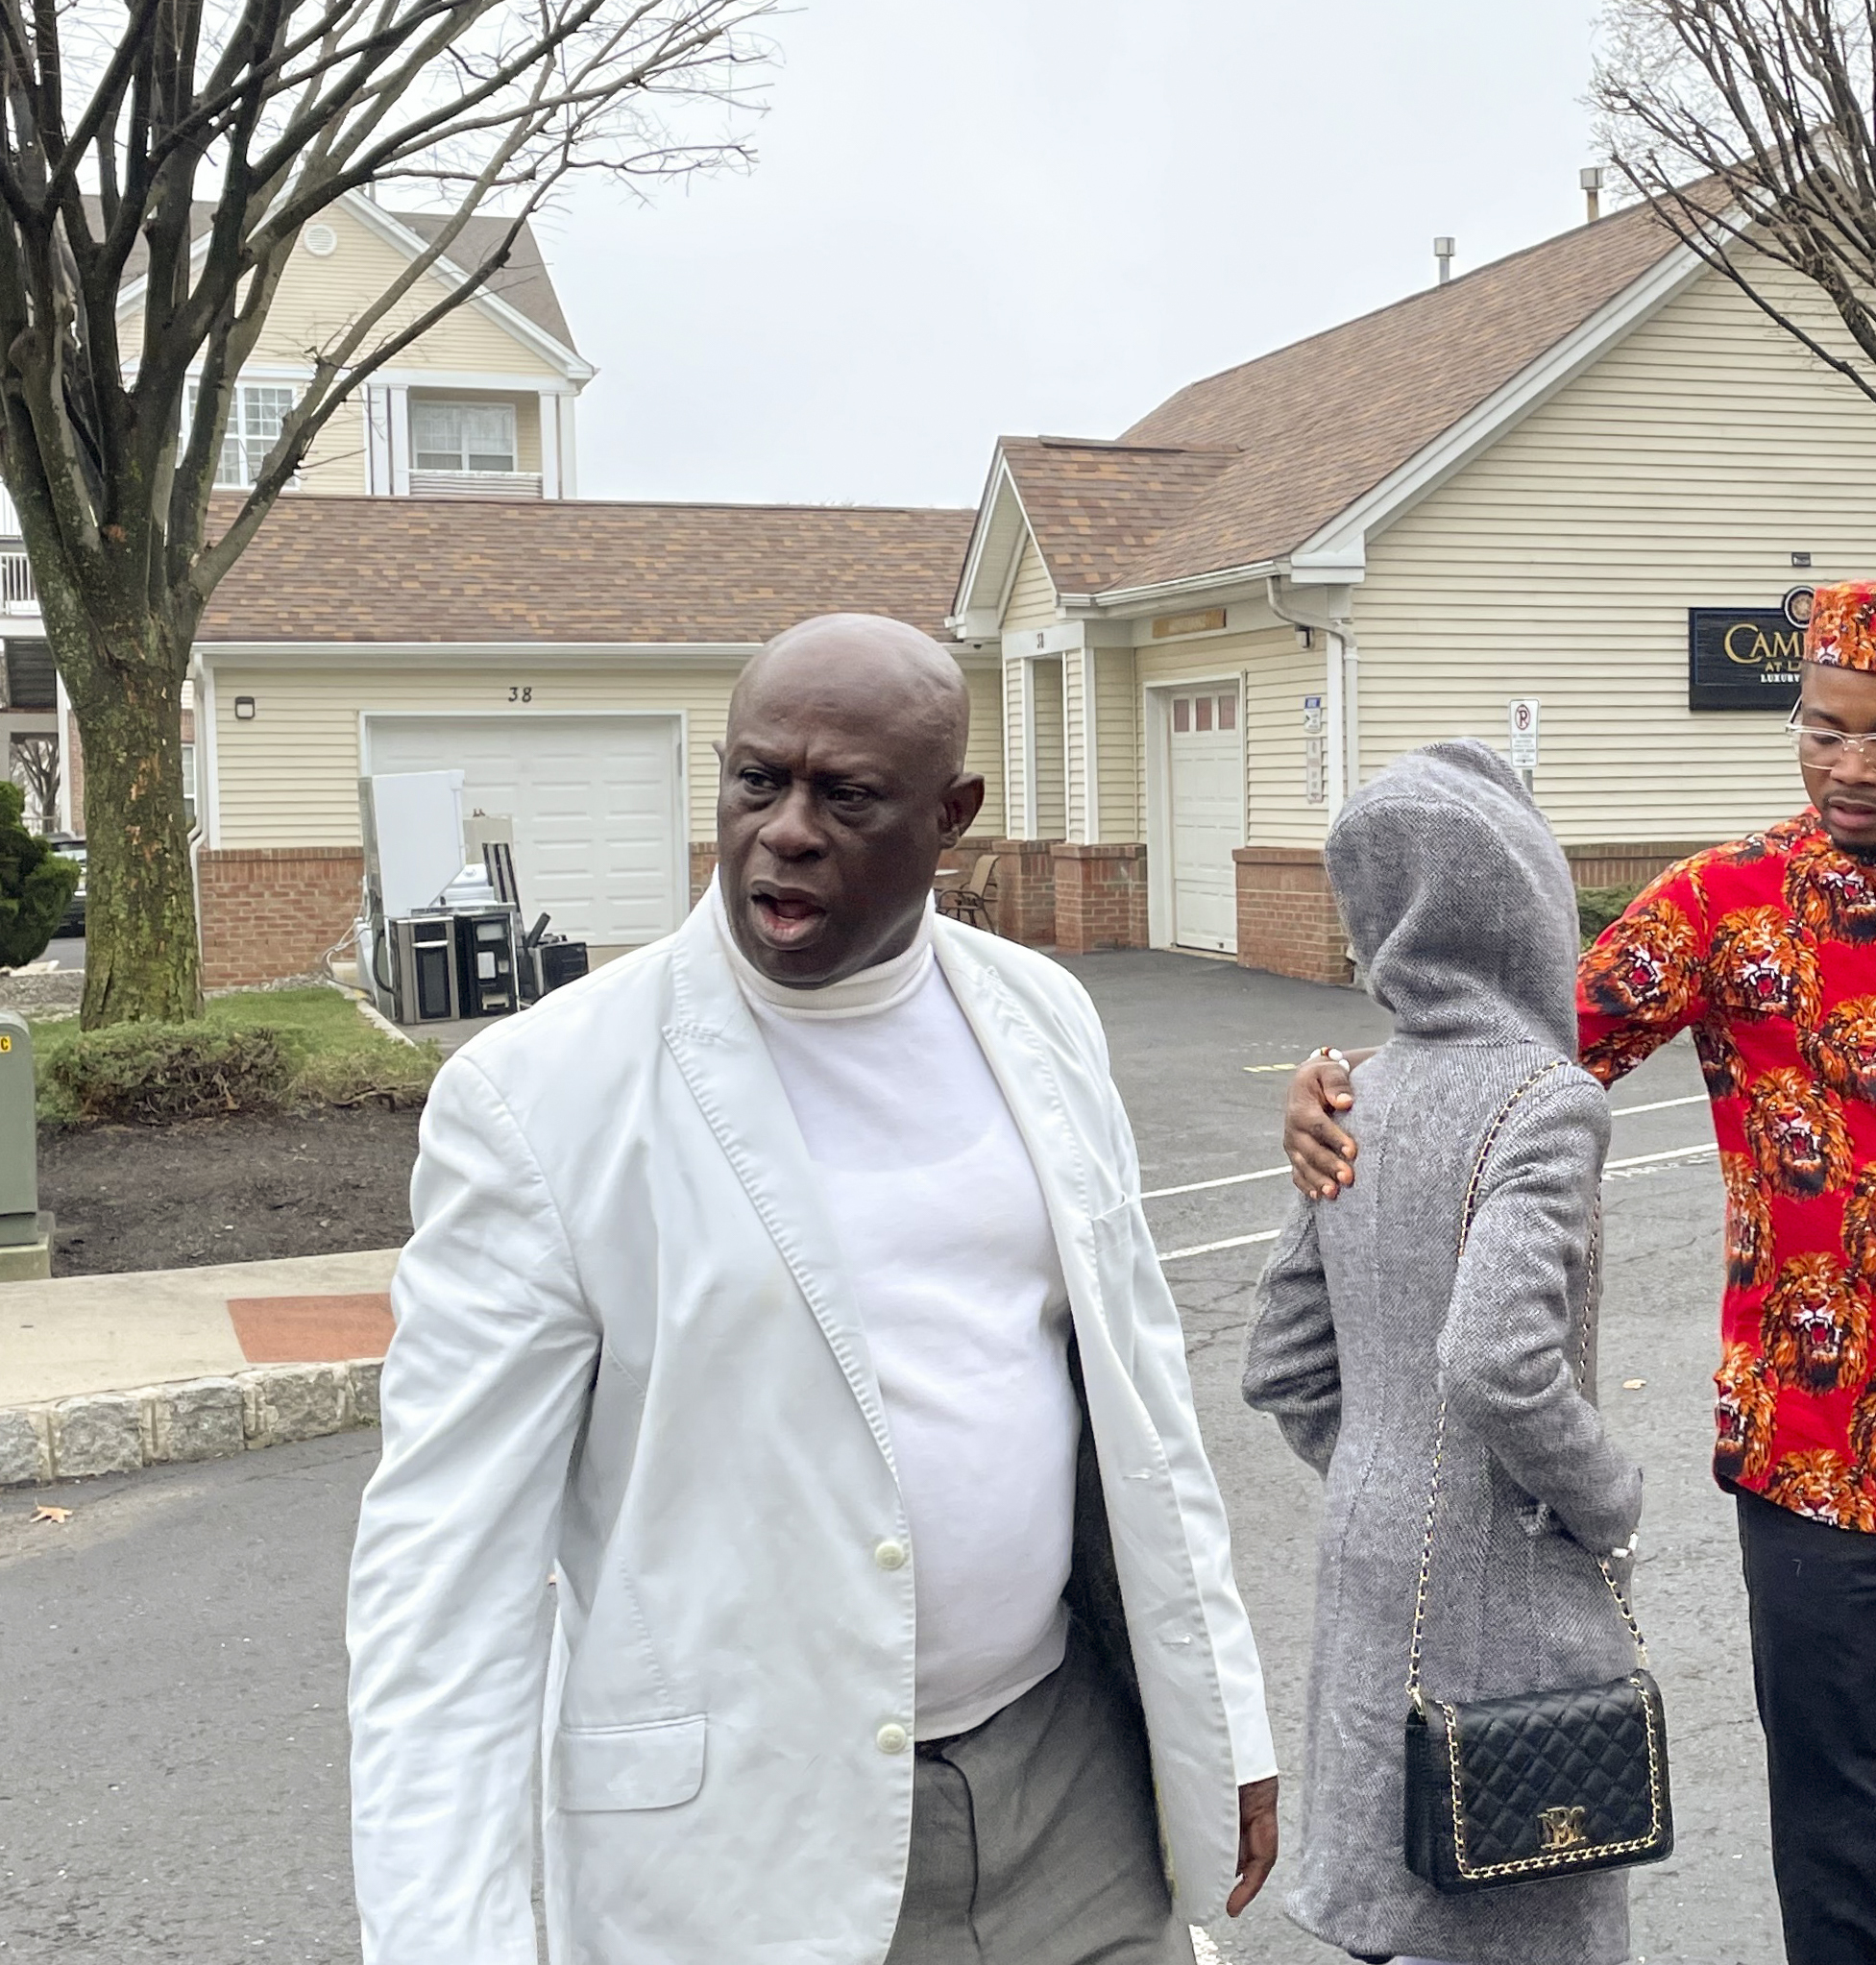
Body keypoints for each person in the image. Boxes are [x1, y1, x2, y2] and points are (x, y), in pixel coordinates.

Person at [346, 614, 1278, 1964]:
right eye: (754, 780)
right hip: (748, 1852)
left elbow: (1141, 1398)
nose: (784, 827)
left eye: (846, 794)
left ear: (949, 816)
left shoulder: (1042, 1019)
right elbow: (445, 1570)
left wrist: (1223, 1710)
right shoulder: (543, 1096)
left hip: (1072, 1786)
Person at [1283, 581, 1876, 1965]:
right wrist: (1345, 1093)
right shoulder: (1720, 905)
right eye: (1822, 730)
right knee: (1842, 1831)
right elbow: (1505, 1051)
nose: (1849, 766)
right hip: (1816, 1460)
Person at [1244, 740, 1647, 1965]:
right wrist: (1605, 1493)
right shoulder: (1545, 1098)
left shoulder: (1353, 1092)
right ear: (1526, 905)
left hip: (1372, 1545)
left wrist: (1381, 1456)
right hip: (1506, 1562)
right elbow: (1497, 1362)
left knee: (1400, 1876)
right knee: (1524, 1884)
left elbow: (1282, 1359)